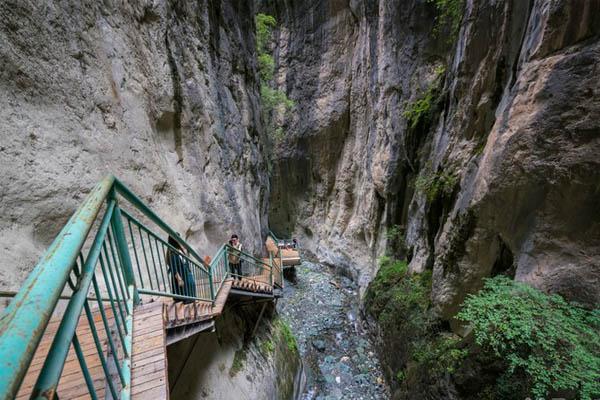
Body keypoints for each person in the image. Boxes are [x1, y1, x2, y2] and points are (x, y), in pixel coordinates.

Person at [166, 236, 196, 301]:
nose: (180, 241)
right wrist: (179, 279)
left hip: (185, 272)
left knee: (190, 288)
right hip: (181, 274)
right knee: (185, 293)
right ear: (174, 242)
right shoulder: (172, 253)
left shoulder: (178, 250)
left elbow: (184, 260)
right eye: (178, 239)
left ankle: (189, 299)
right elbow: (174, 269)